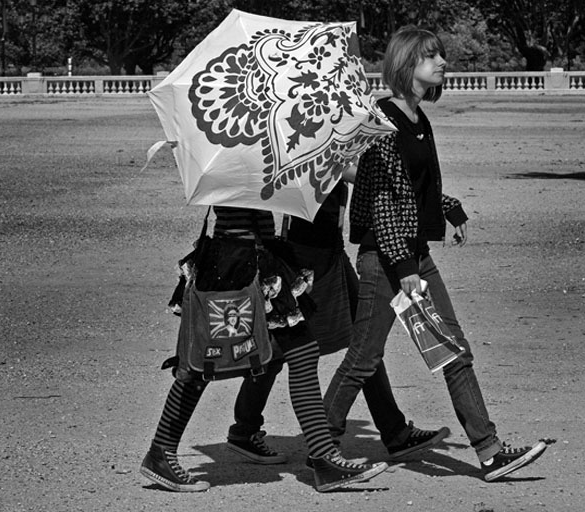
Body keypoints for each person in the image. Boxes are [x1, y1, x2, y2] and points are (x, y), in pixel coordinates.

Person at [322, 26, 549, 482]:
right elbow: (384, 203)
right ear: (407, 64)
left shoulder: (417, 119)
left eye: (440, 55)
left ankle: (489, 452)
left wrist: (448, 208)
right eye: (431, 56)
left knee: (454, 351)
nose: (442, 62)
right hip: (385, 259)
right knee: (363, 360)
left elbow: (414, 190)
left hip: (413, 251)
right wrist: (404, 268)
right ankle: (322, 449)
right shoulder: (384, 120)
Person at [140, 206, 388, 492]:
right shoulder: (235, 162)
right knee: (202, 362)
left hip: (249, 258)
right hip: (239, 262)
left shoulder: (239, 161)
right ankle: (161, 452)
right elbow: (239, 208)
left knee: (292, 351)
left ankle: (321, 457)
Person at [225, 178, 449, 466]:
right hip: (309, 253)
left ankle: (394, 432)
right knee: (285, 344)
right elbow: (342, 169)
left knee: (364, 340)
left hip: (330, 250)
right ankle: (249, 428)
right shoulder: (314, 137)